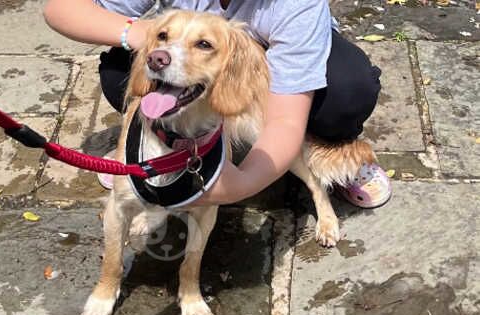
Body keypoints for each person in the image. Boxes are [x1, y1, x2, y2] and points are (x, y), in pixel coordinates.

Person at [43, 0, 391, 208]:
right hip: (199, 71)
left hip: (274, 69)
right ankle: (156, 149)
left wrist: (239, 186)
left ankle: (334, 154)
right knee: (120, 71)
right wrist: (147, 36)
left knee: (347, 91)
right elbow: (62, 9)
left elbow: (285, 120)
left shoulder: (298, 6)